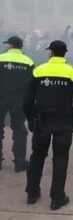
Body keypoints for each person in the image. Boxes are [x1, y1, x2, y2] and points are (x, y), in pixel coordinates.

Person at [25, 40, 73, 210]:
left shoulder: (38, 71)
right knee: (60, 158)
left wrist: (30, 118)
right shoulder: (72, 73)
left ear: (50, 52)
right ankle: (57, 198)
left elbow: (27, 99)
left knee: (37, 156)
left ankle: (32, 193)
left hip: (42, 121)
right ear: (65, 53)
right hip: (64, 122)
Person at [0, 36, 34, 172]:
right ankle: (19, 161)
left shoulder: (1, 58)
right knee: (19, 129)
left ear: (10, 46)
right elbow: (32, 83)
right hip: (19, 100)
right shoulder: (28, 61)